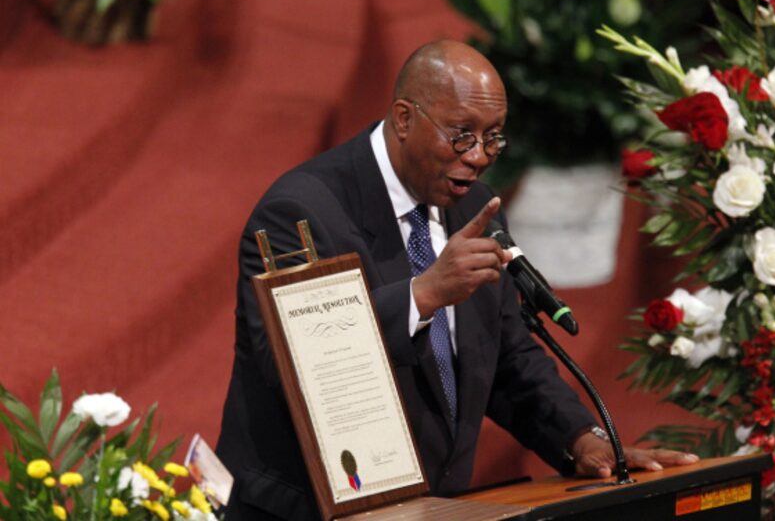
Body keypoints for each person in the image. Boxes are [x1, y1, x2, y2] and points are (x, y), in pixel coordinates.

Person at [216, 40, 698, 520]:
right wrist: (423, 294)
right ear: (404, 119)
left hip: (428, 507)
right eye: (462, 134)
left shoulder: (472, 205)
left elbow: (507, 352)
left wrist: (583, 439)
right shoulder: (299, 212)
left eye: (494, 137)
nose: (480, 156)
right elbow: (296, 364)